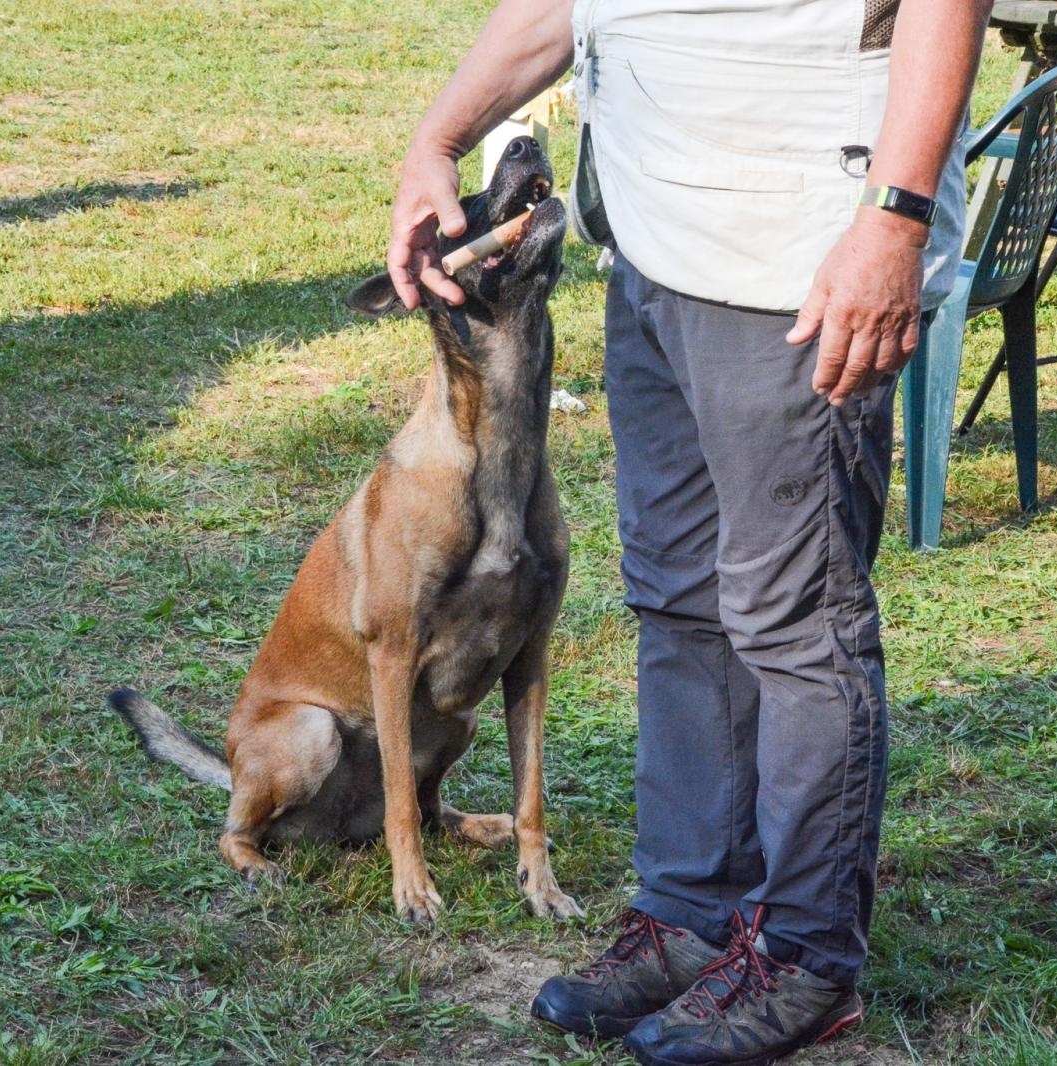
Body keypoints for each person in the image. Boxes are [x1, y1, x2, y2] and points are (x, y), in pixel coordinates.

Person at [385, 0, 992, 1062]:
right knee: (677, 602)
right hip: (654, 250)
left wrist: (893, 222)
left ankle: (804, 957)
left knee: (794, 625)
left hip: (797, 261)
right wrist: (437, 139)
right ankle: (692, 913)